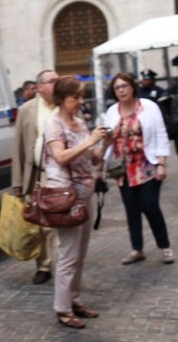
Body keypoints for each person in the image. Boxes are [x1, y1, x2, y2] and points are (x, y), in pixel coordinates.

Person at [44, 75, 111, 329]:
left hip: (84, 192)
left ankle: (74, 300)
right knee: (69, 254)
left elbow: (92, 160)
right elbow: (60, 157)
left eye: (82, 96)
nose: (81, 101)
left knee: (80, 253)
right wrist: (90, 141)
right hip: (65, 195)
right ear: (62, 98)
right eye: (76, 97)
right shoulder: (53, 123)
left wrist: (104, 144)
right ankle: (62, 309)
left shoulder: (80, 122)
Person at [103, 73, 173, 266]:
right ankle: (137, 249)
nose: (122, 90)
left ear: (133, 87)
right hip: (123, 169)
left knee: (150, 205)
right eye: (117, 87)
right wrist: (101, 165)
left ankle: (165, 246)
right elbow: (108, 141)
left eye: (125, 86)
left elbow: (160, 133)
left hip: (146, 165)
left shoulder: (148, 106)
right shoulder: (111, 112)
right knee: (131, 209)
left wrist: (161, 164)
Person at [12, 69, 59, 284]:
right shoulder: (27, 110)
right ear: (39, 87)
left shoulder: (65, 105)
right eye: (51, 81)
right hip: (37, 176)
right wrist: (17, 182)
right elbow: (18, 148)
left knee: (59, 222)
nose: (56, 84)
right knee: (41, 224)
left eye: (58, 80)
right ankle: (44, 265)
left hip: (60, 174)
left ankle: (64, 263)